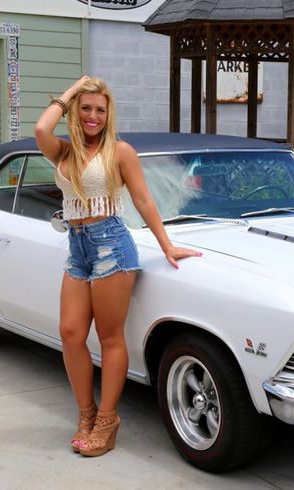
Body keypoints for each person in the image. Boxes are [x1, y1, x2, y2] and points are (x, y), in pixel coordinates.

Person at [34, 76, 200, 457]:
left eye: (100, 110)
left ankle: (107, 420)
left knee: (110, 337)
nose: (93, 116)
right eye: (86, 108)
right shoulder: (62, 151)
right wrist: (74, 89)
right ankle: (85, 414)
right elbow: (41, 127)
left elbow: (142, 200)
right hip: (77, 248)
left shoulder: (120, 151)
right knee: (71, 333)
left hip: (112, 244)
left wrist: (167, 244)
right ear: (76, 110)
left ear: (109, 116)